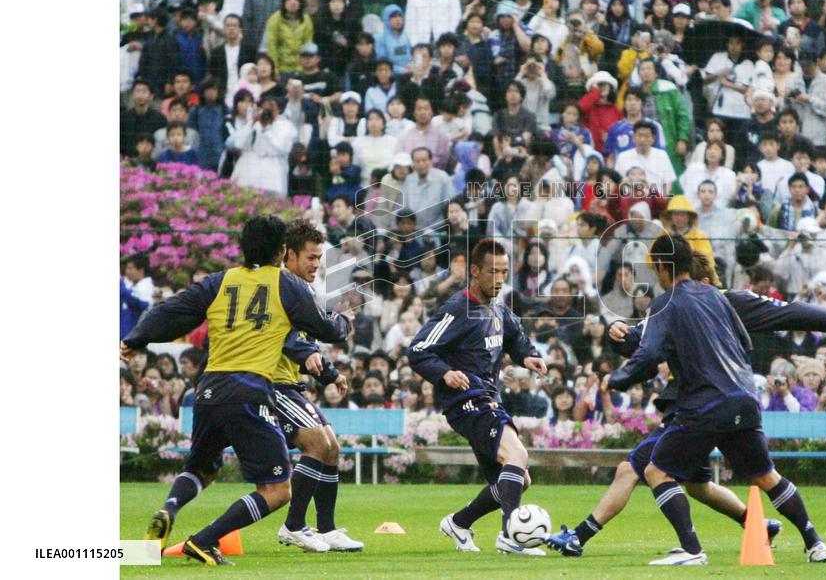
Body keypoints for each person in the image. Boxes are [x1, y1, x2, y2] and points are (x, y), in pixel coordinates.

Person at [548, 247, 826, 557]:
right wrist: (617, 333)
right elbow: (639, 342)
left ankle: (583, 536)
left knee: (638, 468)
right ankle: (770, 528)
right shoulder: (684, 303)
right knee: (702, 484)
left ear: (701, 282)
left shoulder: (721, 301)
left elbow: (789, 312)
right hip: (725, 403)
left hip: (698, 407)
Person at [123, 215, 352, 566]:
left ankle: (169, 508)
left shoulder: (219, 280)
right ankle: (203, 540)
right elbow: (323, 326)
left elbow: (173, 311)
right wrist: (344, 321)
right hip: (248, 391)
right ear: (281, 251)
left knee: (202, 467)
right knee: (277, 491)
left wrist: (136, 338)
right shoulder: (285, 284)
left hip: (208, 389)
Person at [601, 235, 826, 565]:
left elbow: (648, 354)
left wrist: (617, 379)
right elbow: (743, 339)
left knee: (657, 471)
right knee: (767, 476)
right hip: (743, 398)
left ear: (663, 267)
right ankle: (815, 542)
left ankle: (692, 550)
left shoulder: (665, 303)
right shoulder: (714, 294)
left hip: (706, 405)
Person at [409, 239, 548, 556]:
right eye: (492, 271)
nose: (499, 279)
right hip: (468, 402)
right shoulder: (458, 309)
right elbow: (418, 349)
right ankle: (512, 536)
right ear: (475, 271)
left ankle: (459, 522)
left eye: (504, 271)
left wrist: (529, 356)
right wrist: (443, 373)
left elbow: (516, 338)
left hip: (488, 399)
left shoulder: (498, 308)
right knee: (518, 454)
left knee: (518, 479)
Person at [272, 220, 363, 553]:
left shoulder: (301, 289)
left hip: (290, 383)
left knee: (331, 448)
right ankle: (293, 525)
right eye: (310, 257)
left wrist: (329, 373)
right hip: (272, 383)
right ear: (290, 255)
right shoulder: (281, 286)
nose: (316, 265)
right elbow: (284, 336)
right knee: (317, 444)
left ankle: (326, 529)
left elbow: (302, 337)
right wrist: (308, 353)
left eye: (319, 258)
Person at [231, 96, 298, 196]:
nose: (267, 112)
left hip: (274, 171)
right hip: (251, 170)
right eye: (264, 108)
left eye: (271, 108)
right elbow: (239, 144)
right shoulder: (255, 123)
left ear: (278, 110)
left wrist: (266, 128)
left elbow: (280, 147)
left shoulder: (286, 125)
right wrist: (252, 122)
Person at [792, 50, 826, 148]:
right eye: (802, 65)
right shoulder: (794, 81)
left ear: (816, 62)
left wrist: (810, 99)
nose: (805, 68)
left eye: (808, 65)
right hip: (796, 137)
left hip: (819, 138)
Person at [614, 121, 675, 194]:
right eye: (639, 136)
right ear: (633, 137)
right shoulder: (623, 157)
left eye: (646, 136)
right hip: (629, 201)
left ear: (653, 138)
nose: (642, 140)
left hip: (656, 200)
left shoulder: (662, 155)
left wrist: (662, 200)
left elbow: (668, 183)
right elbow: (618, 184)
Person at [266, 0, 314, 75]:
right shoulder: (275, 19)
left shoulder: (306, 19)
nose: (293, 2)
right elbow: (272, 46)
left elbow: (308, 45)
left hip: (301, 69)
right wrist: (275, 69)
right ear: (284, 2)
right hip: (282, 69)